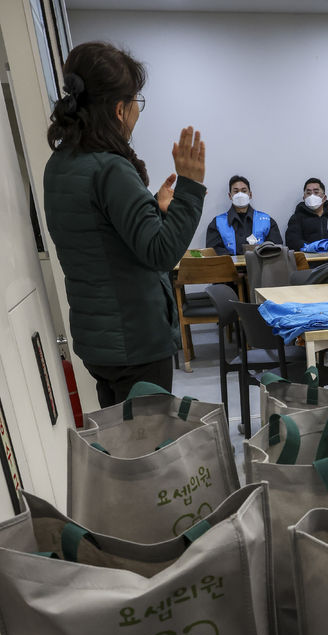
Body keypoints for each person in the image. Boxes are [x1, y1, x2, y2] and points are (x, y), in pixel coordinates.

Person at [44, 41, 206, 407]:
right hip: (135, 342)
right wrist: (190, 188)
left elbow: (103, 236)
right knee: (148, 457)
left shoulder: (61, 163)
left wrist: (153, 210)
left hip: (98, 341)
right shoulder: (110, 167)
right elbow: (161, 253)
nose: (137, 111)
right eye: (136, 101)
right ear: (120, 109)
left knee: (123, 445)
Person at [206, 175, 282, 253]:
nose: (240, 194)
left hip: (260, 264)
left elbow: (276, 249)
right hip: (229, 265)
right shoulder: (217, 223)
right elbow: (213, 250)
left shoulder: (266, 221)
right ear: (230, 196)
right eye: (236, 191)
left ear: (250, 195)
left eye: (244, 190)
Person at [285, 178, 328, 251]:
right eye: (308, 193)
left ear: (324, 198)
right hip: (308, 260)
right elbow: (292, 241)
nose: (312, 196)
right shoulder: (296, 218)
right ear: (304, 198)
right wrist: (312, 247)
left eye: (316, 192)